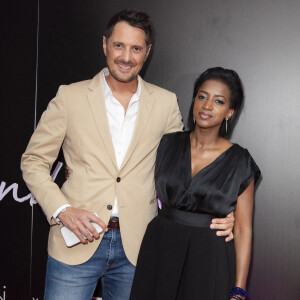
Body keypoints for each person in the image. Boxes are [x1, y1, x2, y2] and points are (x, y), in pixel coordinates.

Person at [21, 10, 234, 300]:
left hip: (138, 246)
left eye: (135, 48)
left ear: (147, 52)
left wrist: (219, 211)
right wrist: (63, 211)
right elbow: (33, 161)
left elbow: (185, 169)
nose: (126, 56)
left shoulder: (165, 102)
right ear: (105, 44)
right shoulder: (69, 97)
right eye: (119, 45)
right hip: (74, 242)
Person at [130, 67, 261, 300]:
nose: (207, 106)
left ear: (229, 112)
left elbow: (242, 228)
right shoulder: (166, 144)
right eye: (202, 96)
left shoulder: (240, 161)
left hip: (210, 259)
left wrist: (239, 290)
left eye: (218, 101)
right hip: (161, 250)